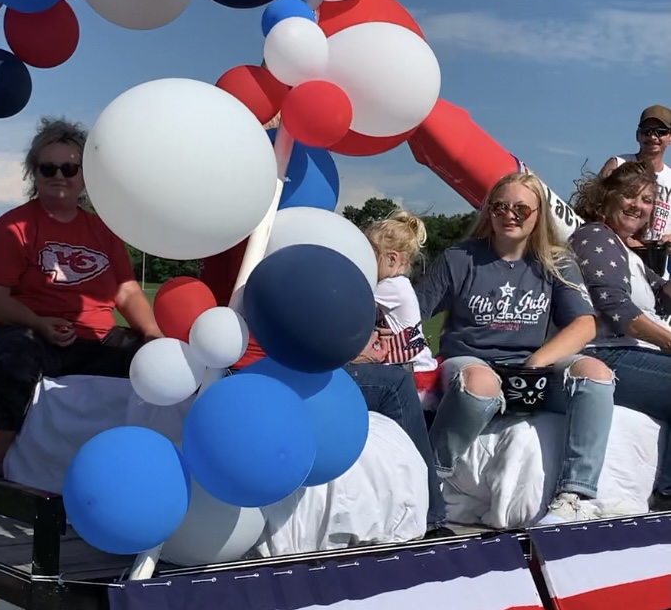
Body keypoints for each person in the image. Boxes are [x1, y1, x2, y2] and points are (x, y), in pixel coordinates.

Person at [200, 233, 447, 537]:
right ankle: (433, 512)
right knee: (394, 382)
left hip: (239, 369)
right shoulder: (277, 240)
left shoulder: (229, 244)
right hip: (276, 370)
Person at [414, 171, 621, 525]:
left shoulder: (556, 262)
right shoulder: (460, 258)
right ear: (488, 212)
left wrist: (534, 364)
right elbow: (413, 312)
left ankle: (575, 494)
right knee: (480, 384)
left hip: (529, 370)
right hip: (471, 361)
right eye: (500, 207)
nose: (510, 215)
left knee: (595, 374)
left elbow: (584, 324)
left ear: (539, 215)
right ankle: (431, 480)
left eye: (522, 209)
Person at [0, 117, 161, 475]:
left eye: (70, 167)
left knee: (157, 361)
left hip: (91, 341)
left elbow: (126, 290)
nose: (60, 175)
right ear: (34, 174)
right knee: (17, 355)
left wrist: (153, 336)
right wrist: (39, 324)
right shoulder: (14, 226)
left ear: (84, 176)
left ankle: (147, 468)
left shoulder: (103, 230)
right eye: (48, 168)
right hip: (20, 335)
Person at [570, 161, 671, 510]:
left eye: (646, 200)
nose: (637, 205)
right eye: (629, 195)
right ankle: (668, 494)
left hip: (630, 353)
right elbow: (615, 308)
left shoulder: (628, 251)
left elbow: (660, 294)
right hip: (604, 353)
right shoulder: (595, 236)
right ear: (606, 197)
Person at [366, 212, 439, 403]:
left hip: (410, 368)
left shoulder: (391, 286)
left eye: (369, 256)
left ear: (391, 259)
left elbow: (354, 299)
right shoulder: (399, 284)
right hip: (413, 365)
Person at [599, 104, 671, 275]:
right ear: (637, 135)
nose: (653, 136)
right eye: (647, 131)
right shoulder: (617, 164)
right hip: (614, 257)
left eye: (660, 131)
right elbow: (594, 208)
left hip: (656, 267)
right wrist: (627, 239)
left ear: (669, 137)